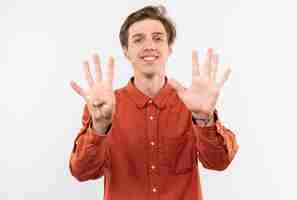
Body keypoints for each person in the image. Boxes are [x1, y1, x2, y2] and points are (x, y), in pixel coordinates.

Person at [69, 5, 238, 200]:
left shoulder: (192, 104)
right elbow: (82, 172)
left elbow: (218, 163)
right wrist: (99, 127)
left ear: (169, 49)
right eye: (138, 39)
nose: (149, 45)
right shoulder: (104, 107)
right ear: (126, 50)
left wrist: (203, 120)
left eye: (158, 38)